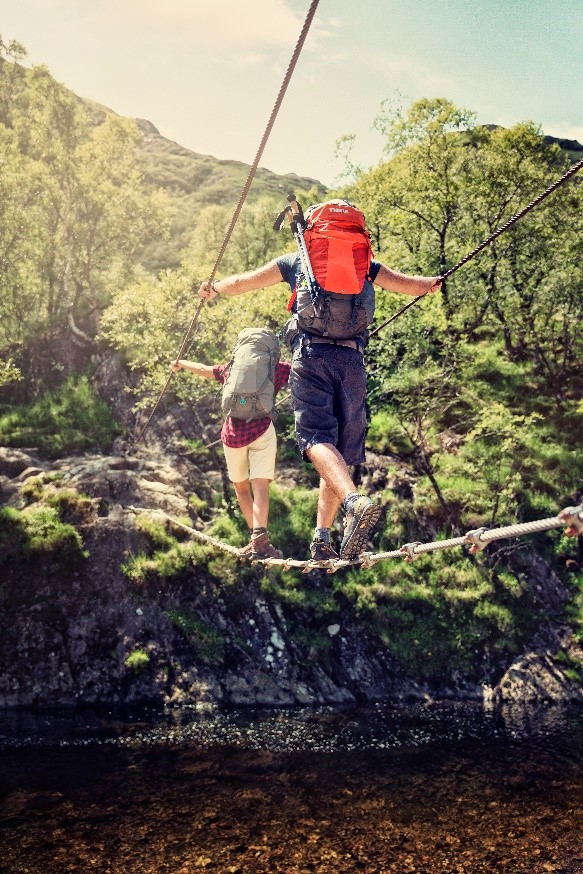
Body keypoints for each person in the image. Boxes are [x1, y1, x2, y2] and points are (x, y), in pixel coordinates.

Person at [198, 200, 440, 564]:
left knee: (316, 440)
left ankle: (354, 503)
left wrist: (214, 287)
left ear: (311, 231)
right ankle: (322, 538)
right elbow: (415, 286)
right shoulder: (365, 267)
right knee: (337, 453)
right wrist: (436, 282)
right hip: (352, 362)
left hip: (311, 356)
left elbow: (241, 282)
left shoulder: (297, 262)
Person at [170, 348, 291, 560]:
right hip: (262, 433)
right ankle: (259, 541)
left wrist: (180, 363)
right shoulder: (277, 369)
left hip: (233, 437)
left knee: (242, 490)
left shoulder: (232, 369)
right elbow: (305, 371)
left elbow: (202, 368)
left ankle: (256, 540)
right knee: (260, 486)